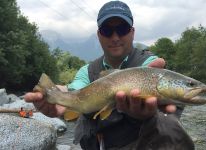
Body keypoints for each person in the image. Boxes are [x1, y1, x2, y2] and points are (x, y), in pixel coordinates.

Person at [24, 1, 194, 150]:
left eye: (122, 29)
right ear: (99, 34)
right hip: (98, 145)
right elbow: (76, 89)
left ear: (132, 32)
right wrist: (57, 94)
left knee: (169, 125)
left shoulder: (150, 65)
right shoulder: (87, 71)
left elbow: (169, 107)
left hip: (141, 144)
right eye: (107, 30)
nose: (115, 37)